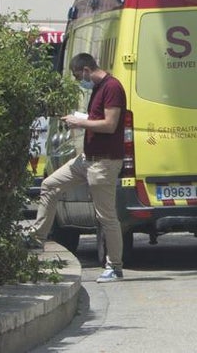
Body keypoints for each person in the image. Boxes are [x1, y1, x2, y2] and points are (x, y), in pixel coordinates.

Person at [28, 52, 127, 283]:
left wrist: (79, 122)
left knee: (106, 216)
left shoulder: (112, 87)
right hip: (87, 159)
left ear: (85, 69)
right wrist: (79, 117)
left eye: (76, 76)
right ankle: (36, 238)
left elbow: (110, 124)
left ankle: (115, 266)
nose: (77, 81)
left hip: (103, 162)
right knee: (49, 185)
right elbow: (97, 118)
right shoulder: (97, 87)